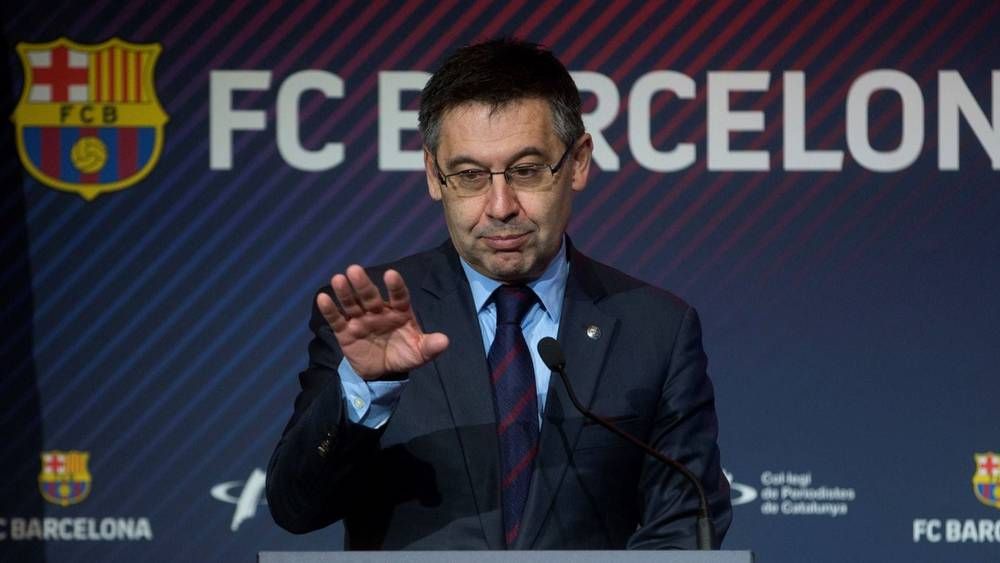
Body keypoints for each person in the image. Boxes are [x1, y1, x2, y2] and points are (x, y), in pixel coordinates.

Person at [266, 38, 732, 550]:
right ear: (434, 175)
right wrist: (367, 389)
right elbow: (295, 509)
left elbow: (685, 524)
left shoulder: (656, 328)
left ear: (578, 162)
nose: (501, 205)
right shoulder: (371, 316)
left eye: (526, 170)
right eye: (469, 176)